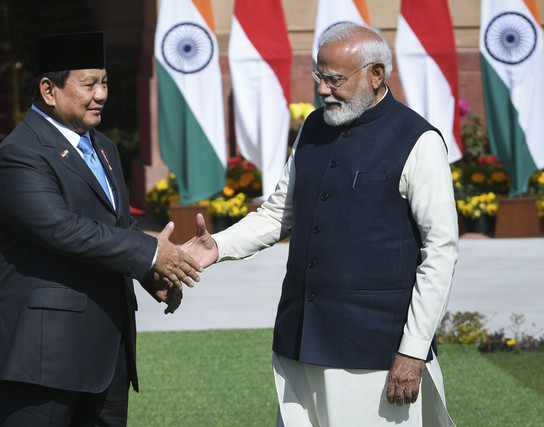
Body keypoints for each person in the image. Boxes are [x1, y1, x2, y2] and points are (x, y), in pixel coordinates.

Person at [183, 22, 458, 426]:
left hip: (375, 353)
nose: (323, 90)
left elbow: (441, 252)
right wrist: (218, 247)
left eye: (334, 79)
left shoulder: (419, 140)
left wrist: (414, 350)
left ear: (376, 74)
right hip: (300, 340)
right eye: (319, 77)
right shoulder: (312, 128)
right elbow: (279, 212)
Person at [0, 32, 202, 426]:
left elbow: (119, 224)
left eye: (106, 82)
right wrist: (149, 253)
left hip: (106, 354)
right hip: (39, 356)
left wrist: (153, 273)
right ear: (49, 89)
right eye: (89, 84)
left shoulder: (104, 147)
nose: (101, 95)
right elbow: (61, 229)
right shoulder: (19, 153)